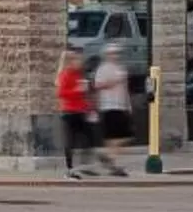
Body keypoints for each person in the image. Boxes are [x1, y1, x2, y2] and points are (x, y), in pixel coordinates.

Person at [91, 42, 136, 175]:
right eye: (112, 53)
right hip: (108, 105)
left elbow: (125, 88)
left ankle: (108, 158)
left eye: (117, 53)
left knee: (124, 136)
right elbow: (98, 85)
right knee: (113, 135)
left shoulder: (121, 68)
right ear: (107, 55)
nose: (115, 55)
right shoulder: (103, 69)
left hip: (120, 105)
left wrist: (128, 105)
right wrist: (113, 82)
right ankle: (110, 160)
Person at [56, 46, 95, 177]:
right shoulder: (65, 74)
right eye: (78, 60)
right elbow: (61, 93)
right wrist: (77, 90)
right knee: (70, 142)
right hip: (68, 112)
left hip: (80, 111)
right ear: (71, 61)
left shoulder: (79, 74)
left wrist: (88, 106)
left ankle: (84, 166)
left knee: (88, 139)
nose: (80, 62)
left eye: (81, 60)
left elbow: (83, 94)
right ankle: (69, 169)